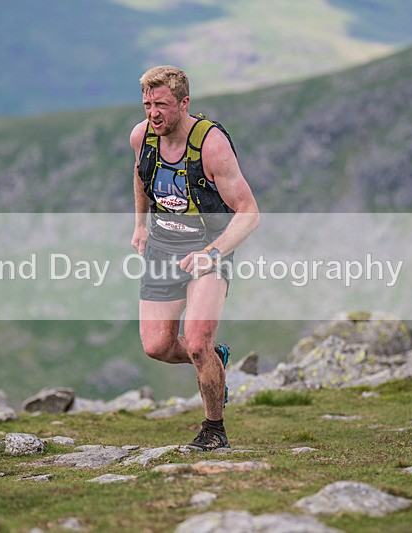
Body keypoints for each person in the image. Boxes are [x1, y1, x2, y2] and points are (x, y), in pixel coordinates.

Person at [129, 65, 260, 451]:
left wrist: (213, 253)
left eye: (162, 105)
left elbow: (250, 213)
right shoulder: (142, 137)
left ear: (184, 104)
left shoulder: (212, 145)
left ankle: (214, 429)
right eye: (147, 104)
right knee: (157, 346)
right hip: (162, 246)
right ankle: (215, 361)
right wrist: (139, 224)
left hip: (208, 248)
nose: (154, 114)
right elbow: (140, 175)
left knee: (198, 342)